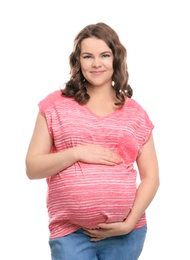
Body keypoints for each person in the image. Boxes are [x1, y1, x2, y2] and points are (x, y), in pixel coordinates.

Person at [25, 22, 160, 260]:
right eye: (88, 56)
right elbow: (32, 168)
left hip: (126, 235)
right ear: (78, 62)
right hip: (71, 233)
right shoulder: (55, 105)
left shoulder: (135, 113)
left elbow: (151, 177)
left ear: (116, 59)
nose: (96, 64)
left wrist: (128, 224)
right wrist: (77, 152)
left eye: (104, 55)